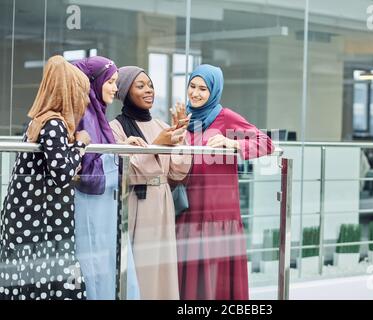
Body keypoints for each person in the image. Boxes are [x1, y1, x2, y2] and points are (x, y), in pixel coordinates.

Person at [175, 64, 274, 300]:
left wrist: (234, 144)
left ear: (214, 91)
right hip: (187, 207)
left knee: (214, 273)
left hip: (217, 211)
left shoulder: (225, 117)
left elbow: (266, 142)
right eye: (192, 86)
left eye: (203, 89)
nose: (195, 93)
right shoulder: (184, 117)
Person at [0, 55, 91, 300]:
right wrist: (80, 144)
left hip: (31, 219)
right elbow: (61, 173)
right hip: (42, 222)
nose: (84, 101)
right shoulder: (54, 124)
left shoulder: (38, 122)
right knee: (47, 278)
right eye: (82, 94)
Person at [109, 66, 192, 299]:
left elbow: (177, 172)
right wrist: (159, 143)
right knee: (141, 265)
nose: (149, 91)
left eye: (151, 85)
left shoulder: (162, 126)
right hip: (135, 202)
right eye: (141, 85)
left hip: (162, 200)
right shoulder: (115, 128)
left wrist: (180, 136)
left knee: (163, 266)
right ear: (125, 91)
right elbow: (127, 171)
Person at [72, 56, 139, 300]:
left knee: (108, 264)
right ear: (94, 82)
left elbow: (99, 148)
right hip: (90, 206)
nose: (115, 88)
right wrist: (114, 151)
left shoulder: (97, 113)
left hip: (106, 206)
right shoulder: (83, 114)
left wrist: (119, 146)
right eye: (110, 82)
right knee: (94, 266)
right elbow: (86, 163)